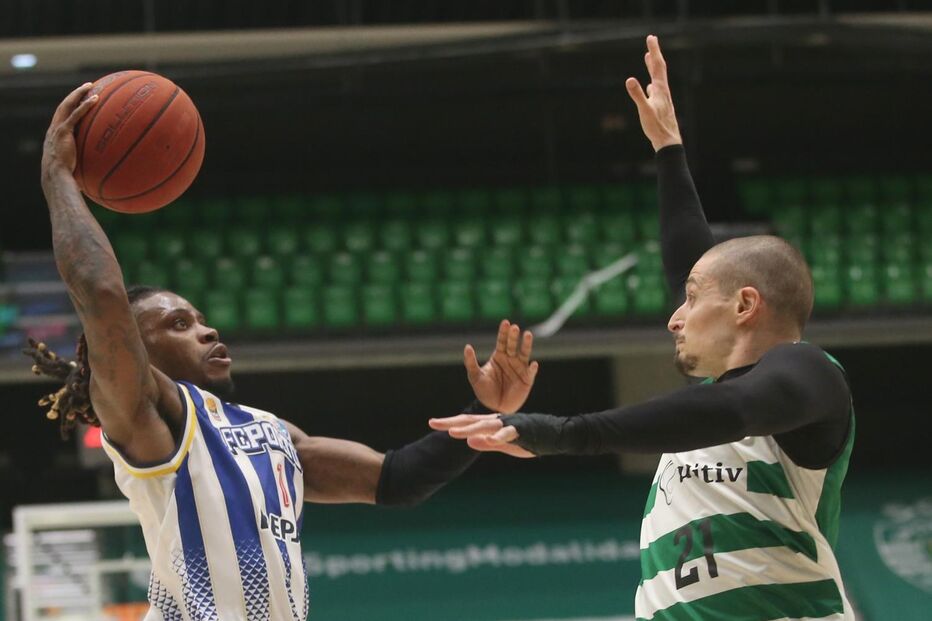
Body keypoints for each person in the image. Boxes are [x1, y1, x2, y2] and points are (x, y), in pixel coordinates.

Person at [29, 83, 540, 621]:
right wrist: (58, 177)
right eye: (179, 324)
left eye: (202, 319)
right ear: (137, 351)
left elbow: (399, 479)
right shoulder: (149, 419)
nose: (207, 331)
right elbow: (103, 297)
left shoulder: (271, 432)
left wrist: (486, 412)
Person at [431, 35, 855, 620]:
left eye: (691, 299)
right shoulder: (716, 396)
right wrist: (668, 150)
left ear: (746, 306)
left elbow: (736, 409)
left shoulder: (807, 374)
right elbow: (695, 264)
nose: (673, 315)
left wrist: (563, 431)